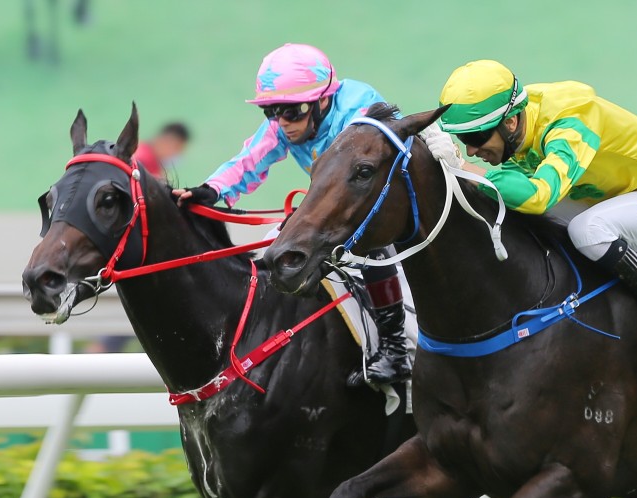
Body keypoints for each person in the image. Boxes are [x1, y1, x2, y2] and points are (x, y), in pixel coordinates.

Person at [175, 43, 455, 387]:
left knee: (367, 245)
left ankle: (395, 347)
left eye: (291, 112)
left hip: (387, 213)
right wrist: (212, 190)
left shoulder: (357, 111)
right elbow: (249, 160)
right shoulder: (288, 123)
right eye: (271, 111)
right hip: (342, 209)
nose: (282, 122)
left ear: (324, 100)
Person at [436, 60, 637, 368]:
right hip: (601, 198)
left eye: (476, 139)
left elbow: (539, 196)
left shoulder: (569, 121)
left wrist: (464, 170)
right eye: (463, 141)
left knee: (588, 230)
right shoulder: (517, 119)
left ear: (509, 123)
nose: (470, 151)